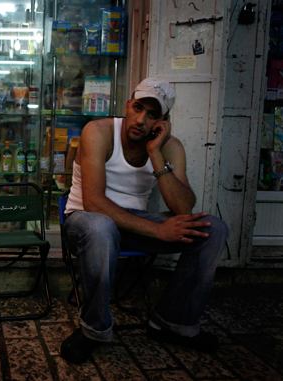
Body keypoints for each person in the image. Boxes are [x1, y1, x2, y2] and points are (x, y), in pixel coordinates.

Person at [60, 78, 229, 365]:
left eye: (152, 115)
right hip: (86, 223)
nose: (140, 119)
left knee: (212, 230)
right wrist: (158, 230)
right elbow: (94, 203)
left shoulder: (169, 147)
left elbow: (184, 208)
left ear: (163, 121)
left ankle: (172, 323)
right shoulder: (99, 132)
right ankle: (94, 329)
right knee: (102, 226)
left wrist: (156, 153)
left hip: (133, 225)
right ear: (127, 105)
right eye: (137, 108)